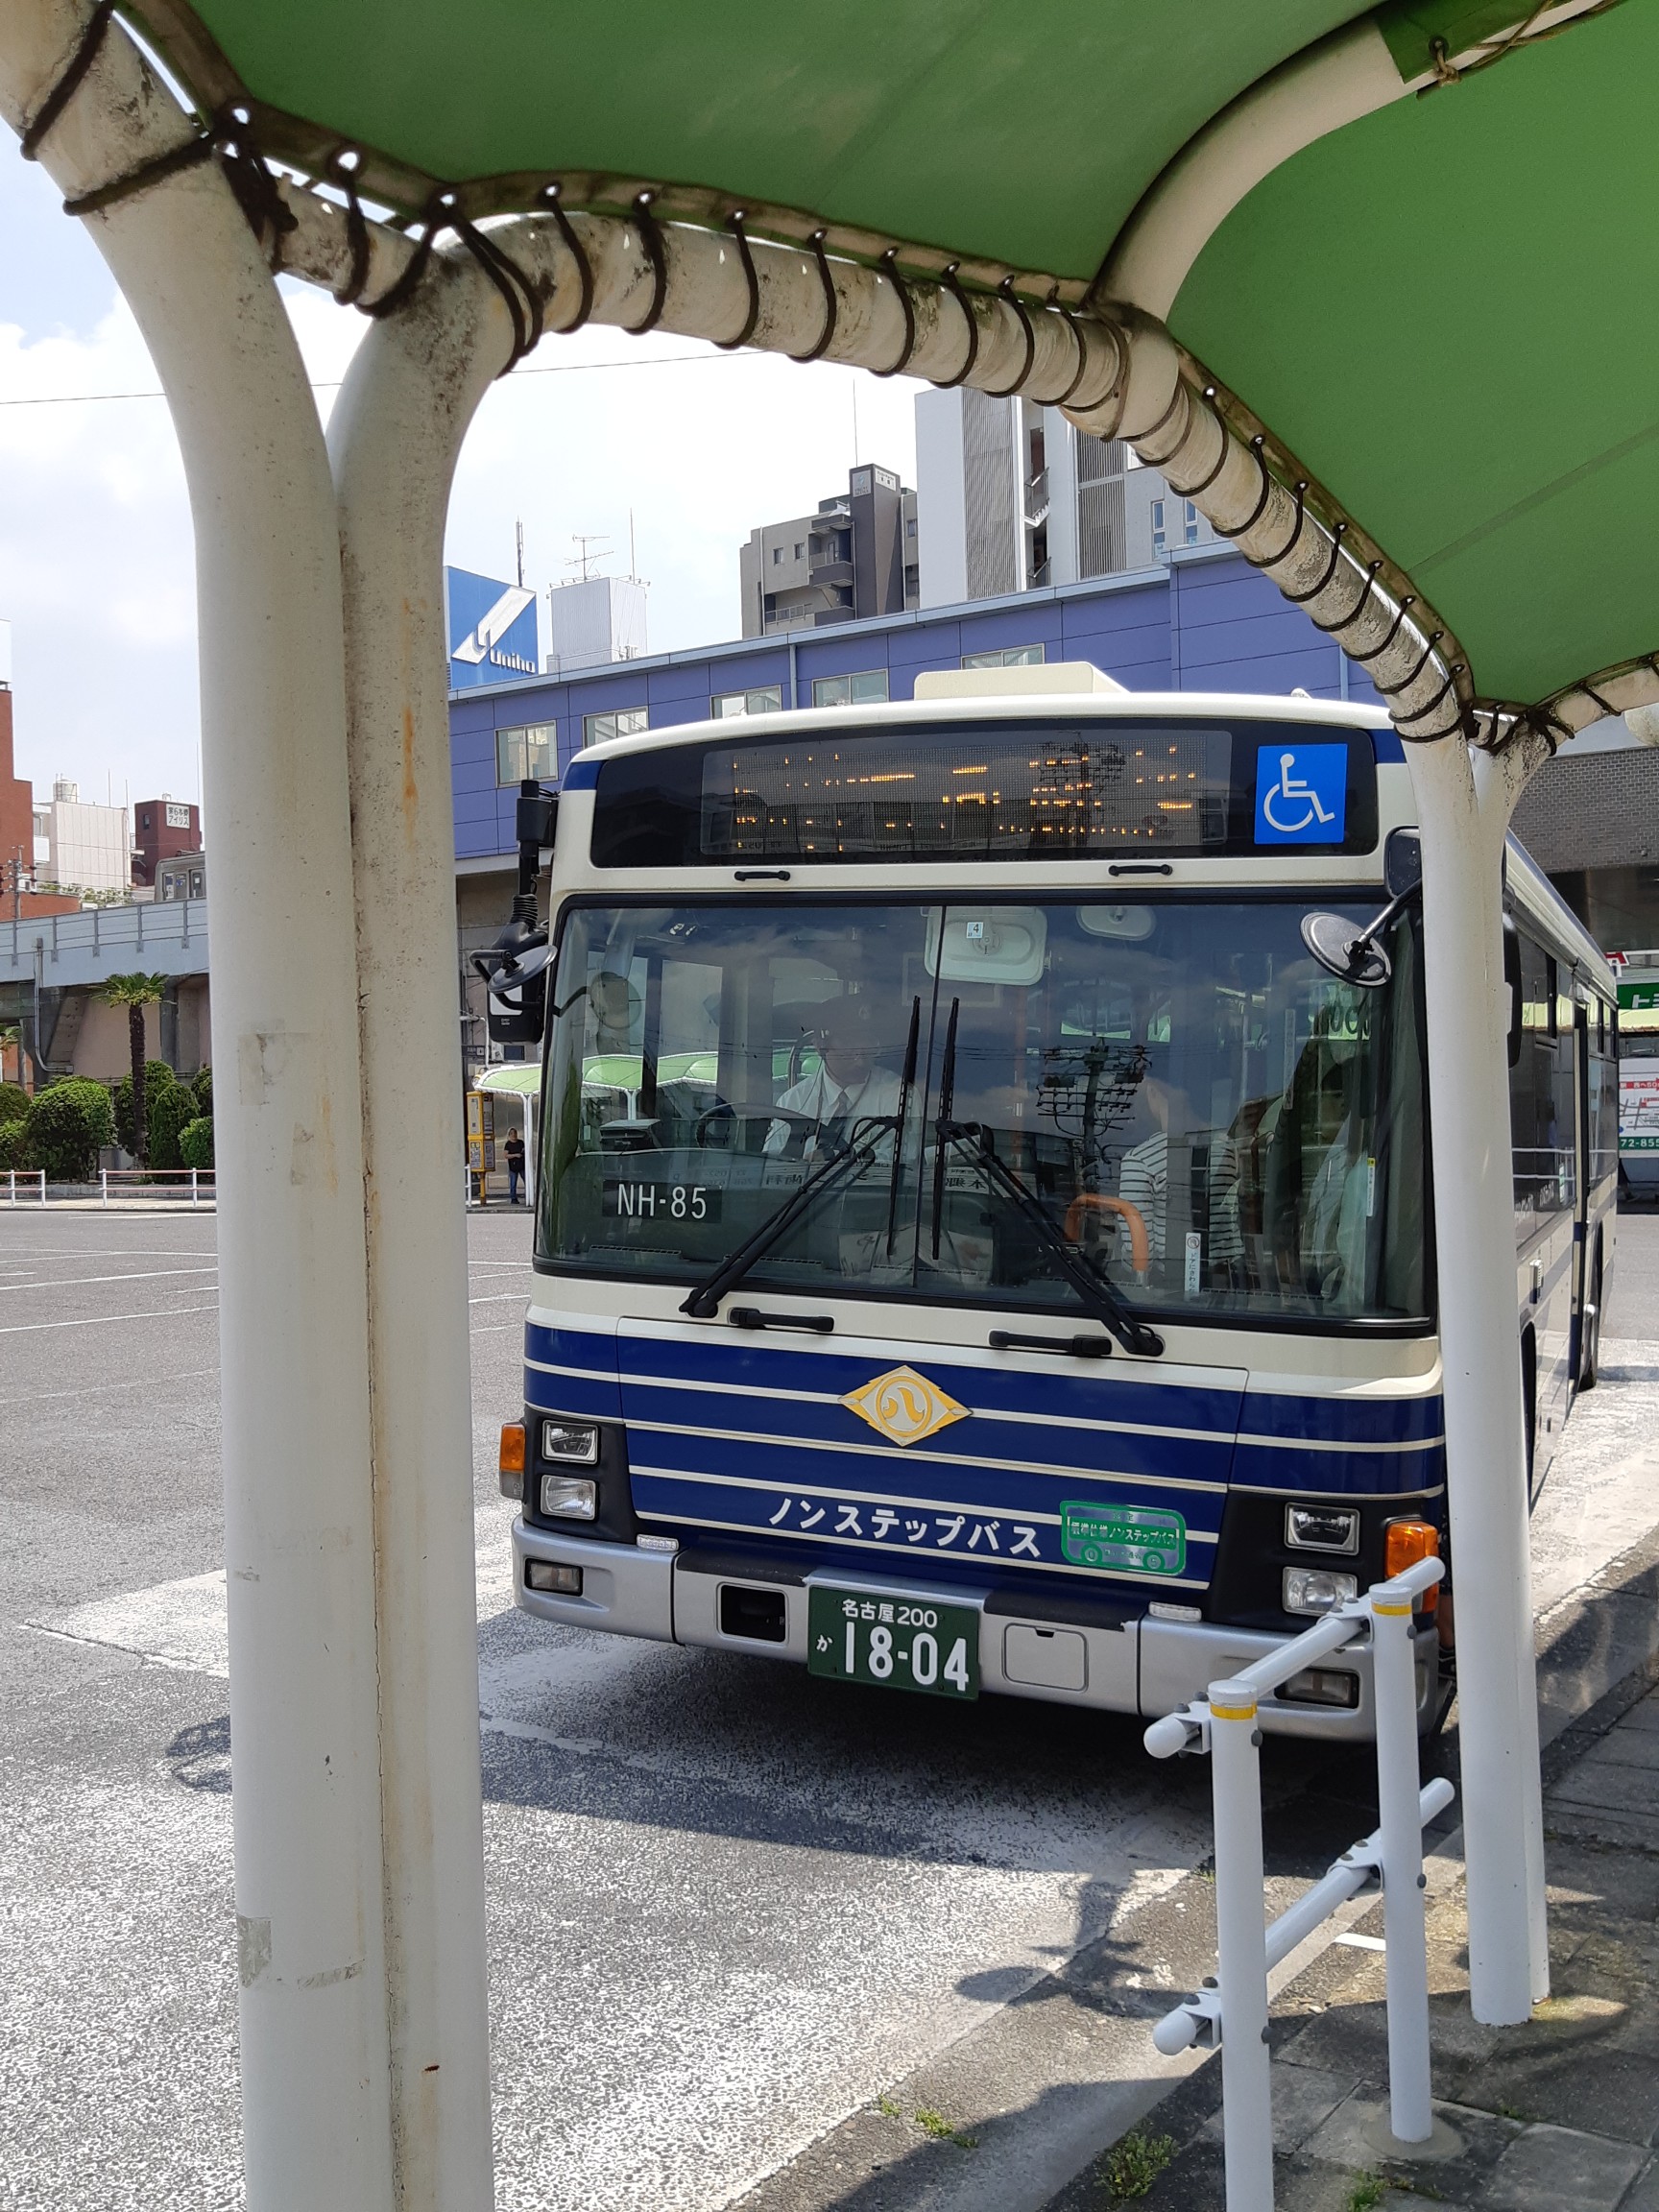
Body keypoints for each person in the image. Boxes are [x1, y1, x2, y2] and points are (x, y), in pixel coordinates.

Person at [765, 997, 904, 1159]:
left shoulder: (899, 1096)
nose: (861, 1049)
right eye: (850, 1040)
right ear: (820, 1045)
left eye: (868, 1040)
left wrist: (848, 1158)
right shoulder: (792, 1102)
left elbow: (905, 1162)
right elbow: (770, 1164)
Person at [503, 1123, 526, 1205]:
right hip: (513, 1166)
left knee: (526, 1181)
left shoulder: (521, 1142)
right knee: (513, 1183)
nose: (514, 1135)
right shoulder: (508, 1144)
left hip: (522, 1165)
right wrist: (515, 1155)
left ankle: (528, 1195)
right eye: (512, 1133)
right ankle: (513, 1198)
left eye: (515, 1133)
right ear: (509, 1135)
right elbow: (506, 1155)